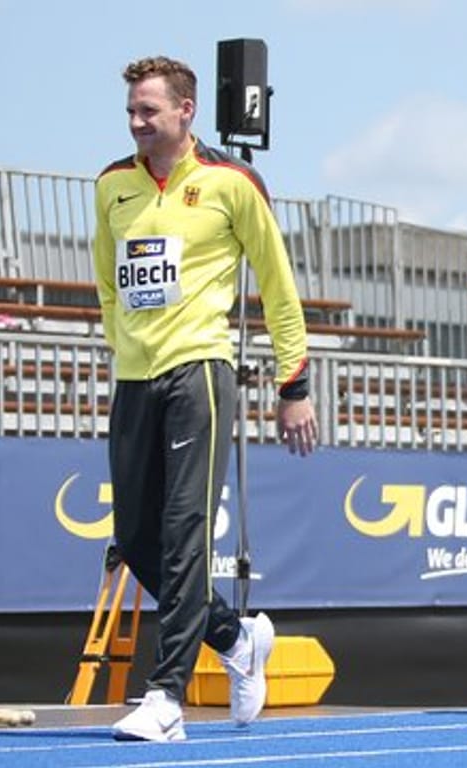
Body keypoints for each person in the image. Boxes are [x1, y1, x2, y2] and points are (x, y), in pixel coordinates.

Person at [91, 55, 318, 742]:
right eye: (131, 111)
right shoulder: (111, 186)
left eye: (148, 111)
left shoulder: (232, 183)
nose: (136, 122)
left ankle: (166, 697)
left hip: (200, 374)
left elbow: (277, 286)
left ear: (185, 111)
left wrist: (294, 384)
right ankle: (238, 639)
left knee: (184, 531)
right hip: (135, 378)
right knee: (133, 538)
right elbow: (107, 281)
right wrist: (123, 348)